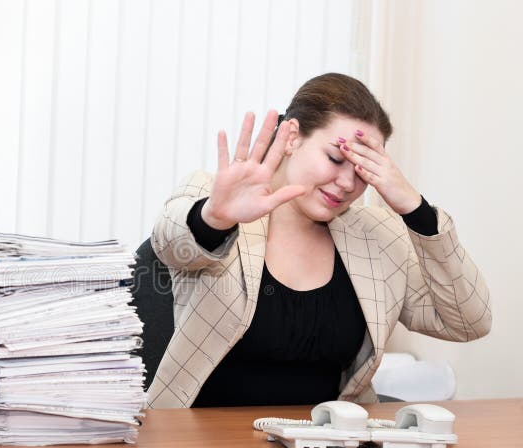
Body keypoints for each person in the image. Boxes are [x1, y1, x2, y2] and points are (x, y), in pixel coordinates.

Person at [147, 73, 491, 408]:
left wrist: (417, 211)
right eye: (336, 159)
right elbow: (168, 242)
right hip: (203, 445)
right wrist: (214, 218)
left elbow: (467, 321)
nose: (345, 183)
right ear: (293, 137)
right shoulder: (218, 197)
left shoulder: (377, 236)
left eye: (362, 170)